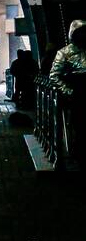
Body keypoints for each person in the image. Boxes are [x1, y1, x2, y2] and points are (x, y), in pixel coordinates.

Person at [48, 19, 86, 166]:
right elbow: (54, 75)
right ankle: (79, 153)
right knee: (79, 125)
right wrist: (68, 91)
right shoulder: (64, 53)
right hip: (77, 94)